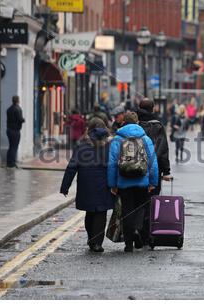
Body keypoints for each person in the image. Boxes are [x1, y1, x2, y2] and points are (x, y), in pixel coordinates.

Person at [60, 118, 114, 253]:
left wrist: (65, 186)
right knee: (100, 213)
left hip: (86, 184)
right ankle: (97, 243)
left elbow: (72, 167)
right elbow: (115, 166)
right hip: (104, 184)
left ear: (89, 129)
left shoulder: (82, 144)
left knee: (90, 212)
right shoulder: (111, 145)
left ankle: (91, 239)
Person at [108, 112, 159, 252]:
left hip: (124, 181)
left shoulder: (117, 139)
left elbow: (112, 164)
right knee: (140, 208)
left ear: (123, 122)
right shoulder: (145, 138)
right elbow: (152, 163)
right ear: (137, 122)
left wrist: (112, 184)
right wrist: (153, 182)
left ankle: (128, 243)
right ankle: (137, 230)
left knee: (127, 210)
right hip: (142, 181)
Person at [137, 98, 173, 245]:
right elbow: (163, 149)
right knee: (151, 202)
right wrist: (166, 171)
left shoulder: (135, 124)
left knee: (136, 202)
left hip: (134, 169)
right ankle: (145, 235)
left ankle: (135, 231)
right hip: (153, 169)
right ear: (153, 109)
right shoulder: (157, 126)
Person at [6, 96, 25, 168]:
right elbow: (20, 119)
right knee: (14, 147)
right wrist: (23, 120)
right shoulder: (18, 109)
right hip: (15, 130)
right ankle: (12, 163)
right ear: (18, 101)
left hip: (9, 130)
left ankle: (8, 162)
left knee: (11, 146)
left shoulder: (9, 109)